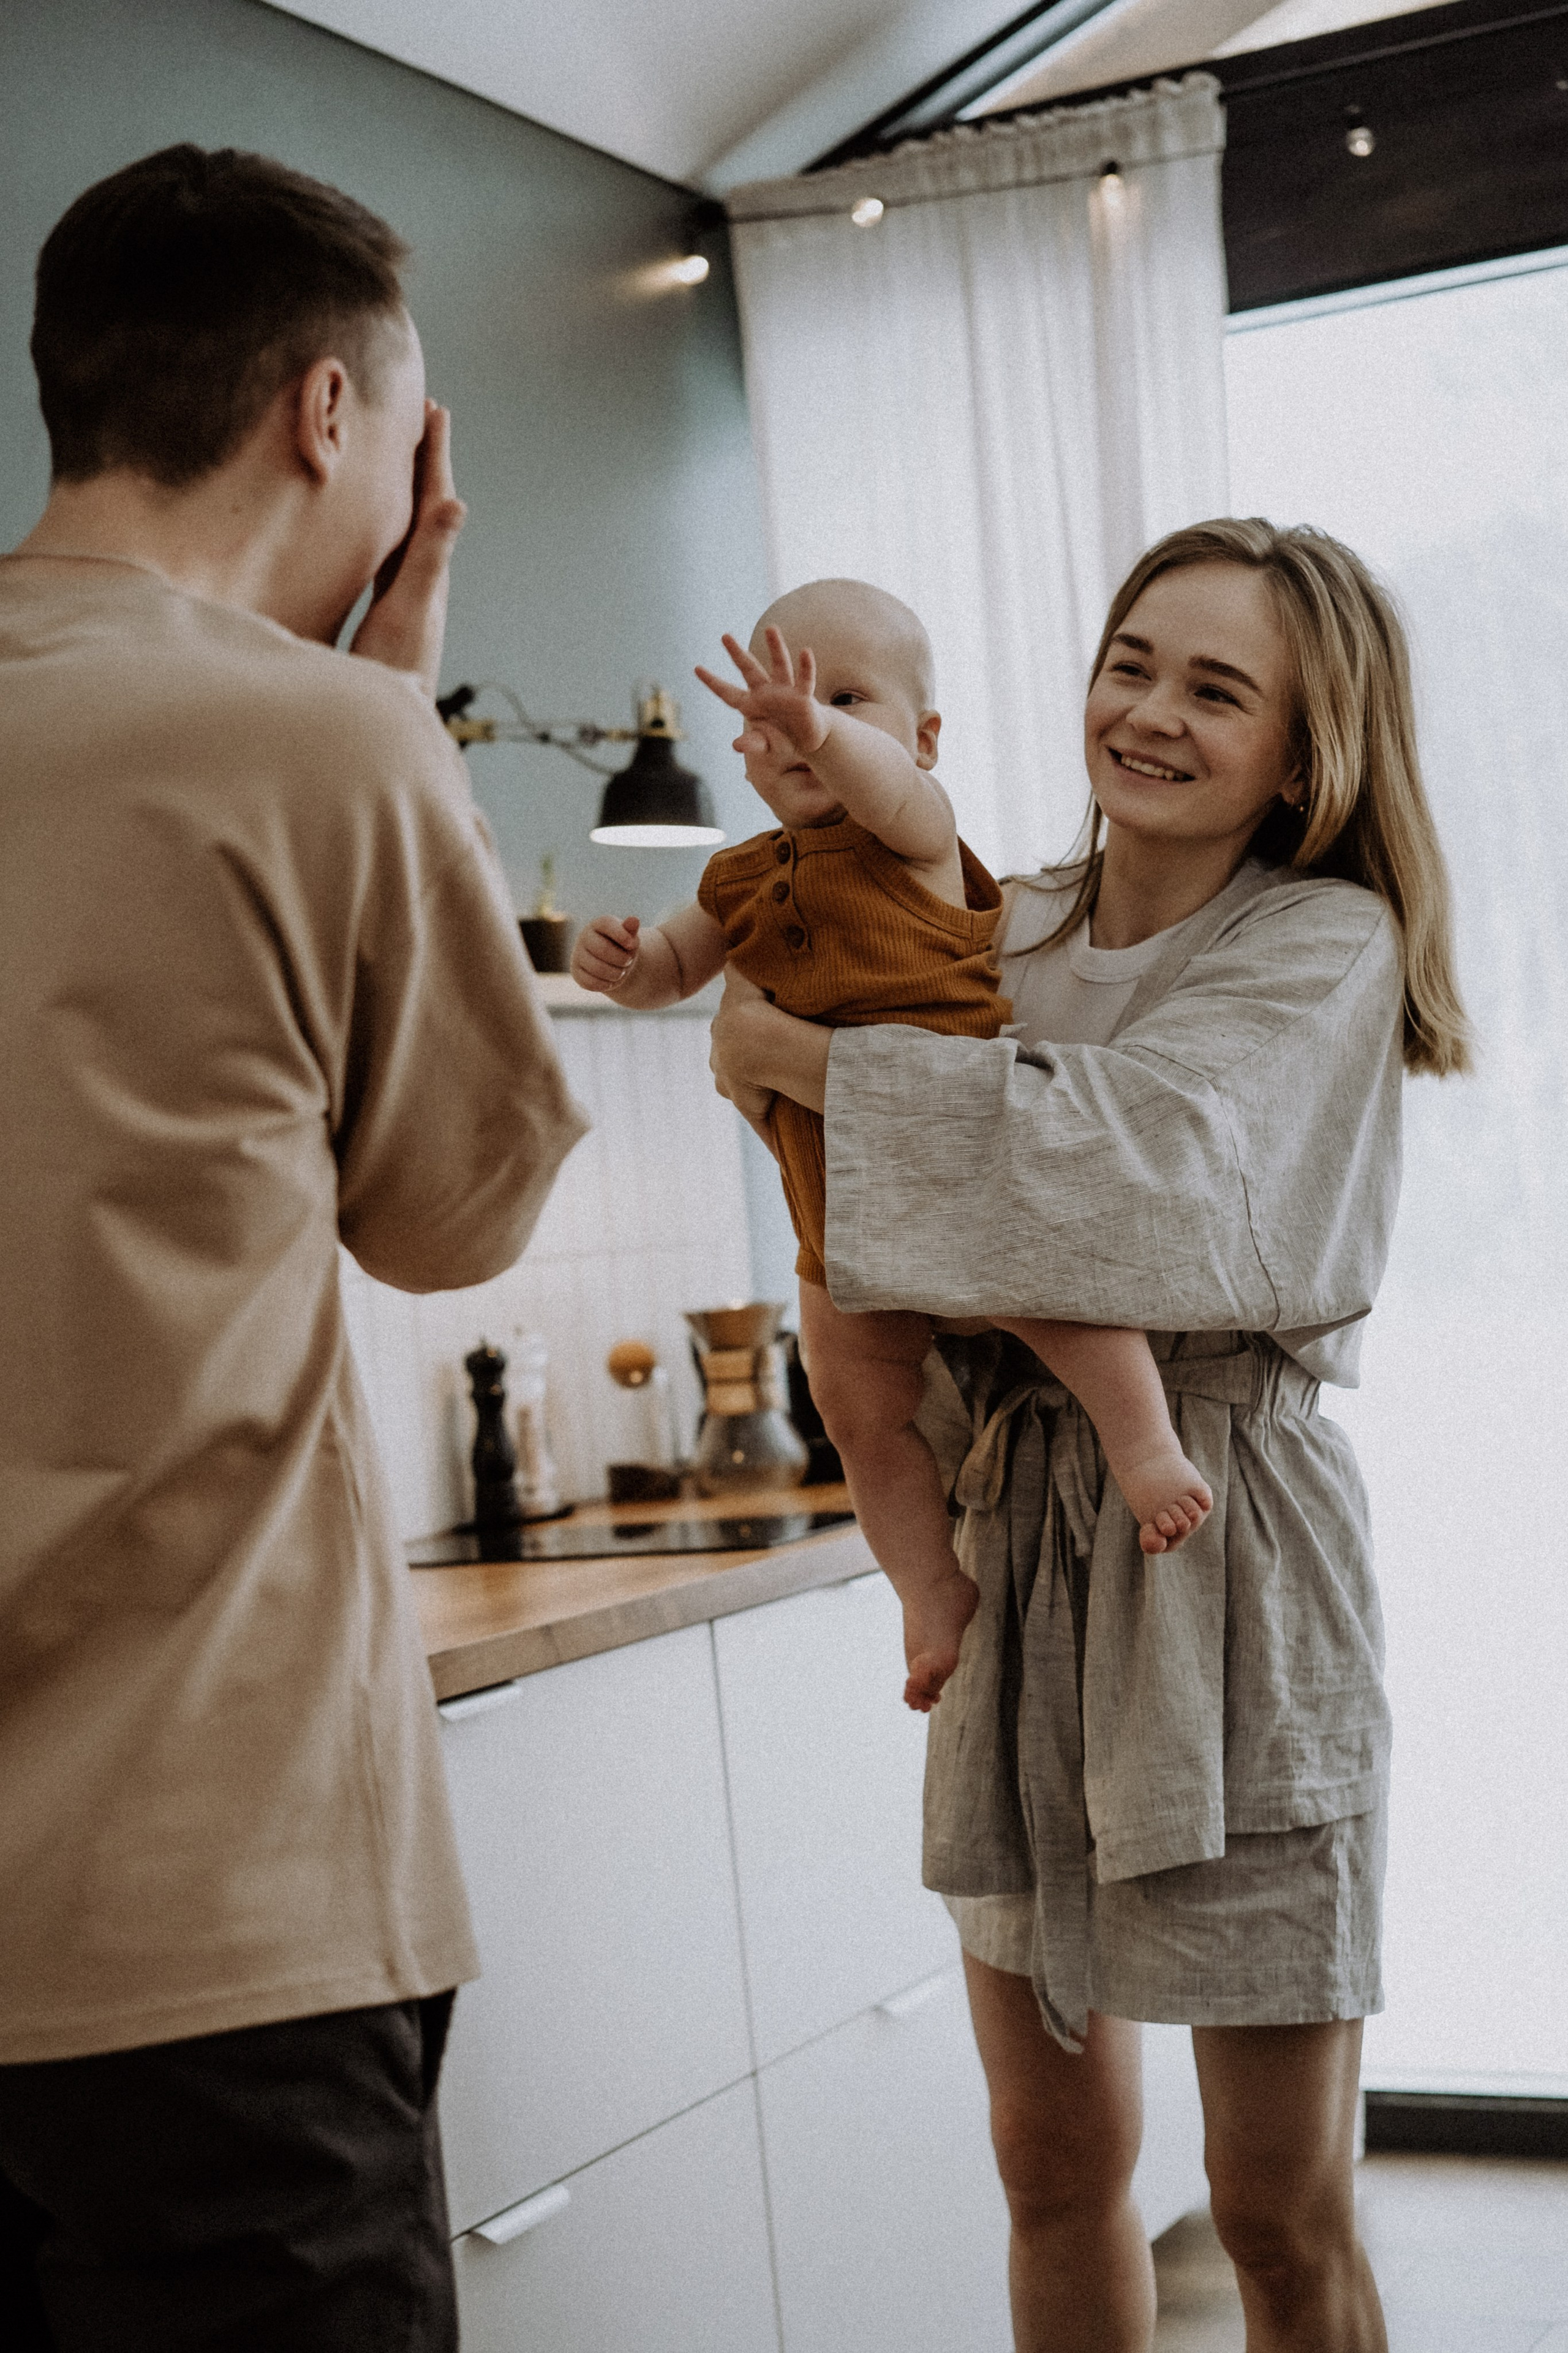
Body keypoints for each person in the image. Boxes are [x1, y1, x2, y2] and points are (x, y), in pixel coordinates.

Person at [708, 523, 1469, 2352]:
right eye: (1132, 661)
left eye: (1217, 688)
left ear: (1306, 749)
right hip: (1015, 1527)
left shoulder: (1322, 941)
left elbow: (1126, 1167)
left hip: (1220, 1539)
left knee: (1282, 2213)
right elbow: (898, 1166)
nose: (1149, 711)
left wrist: (801, 1056)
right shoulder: (998, 912)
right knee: (1049, 2169)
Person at [0, 146, 587, 2350]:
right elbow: (458, 1213)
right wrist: (393, 716)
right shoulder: (326, 736)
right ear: (331, 417)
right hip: (210, 1927)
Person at [571, 579, 1211, 1710]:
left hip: (961, 1156)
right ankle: (927, 1588)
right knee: (854, 1406)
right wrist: (628, 968)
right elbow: (680, 972)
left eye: (841, 697)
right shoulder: (735, 877)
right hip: (837, 1211)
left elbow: (890, 792)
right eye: (774, 717)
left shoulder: (915, 834)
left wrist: (820, 729)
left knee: (1057, 1291)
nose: (803, 726)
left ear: (919, 738)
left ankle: (1145, 1443)